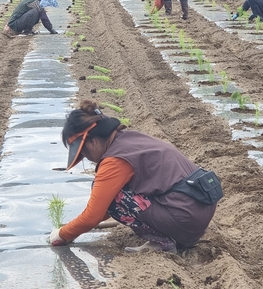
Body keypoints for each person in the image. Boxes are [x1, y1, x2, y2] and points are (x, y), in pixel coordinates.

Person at [49, 100, 220, 253]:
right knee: (113, 196)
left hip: (185, 219)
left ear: (93, 142)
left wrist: (62, 235)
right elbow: (102, 211)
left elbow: (96, 213)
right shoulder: (130, 140)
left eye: (84, 153)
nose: (87, 158)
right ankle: (174, 233)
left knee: (115, 194)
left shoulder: (114, 161)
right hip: (197, 211)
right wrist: (78, 227)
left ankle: (163, 242)